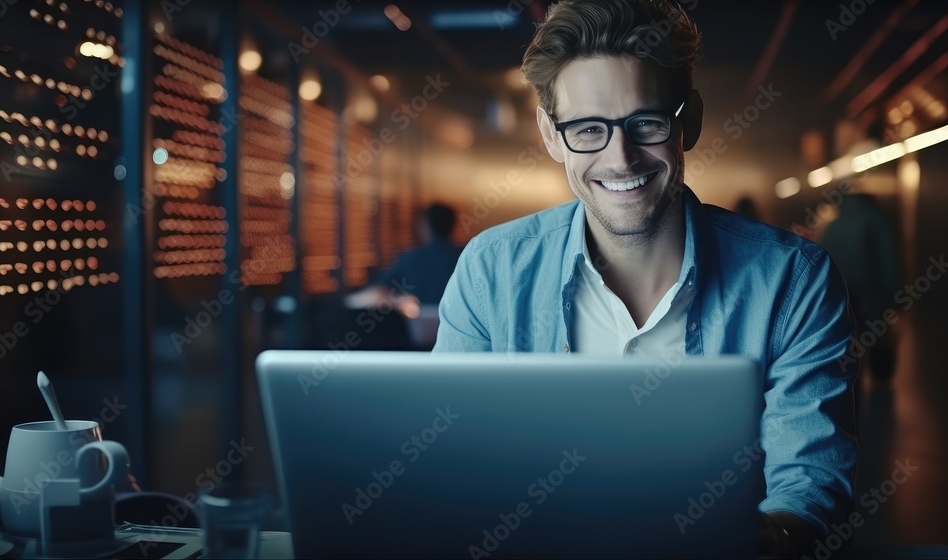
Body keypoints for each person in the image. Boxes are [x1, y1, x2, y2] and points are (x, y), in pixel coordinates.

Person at [433, 1, 856, 556]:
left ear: (691, 120)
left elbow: (809, 486)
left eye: (646, 124)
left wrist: (763, 541)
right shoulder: (491, 271)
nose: (621, 158)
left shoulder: (793, 282)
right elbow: (448, 465)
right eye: (588, 129)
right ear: (551, 134)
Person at [346, 203, 464, 348]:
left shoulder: (410, 259)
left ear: (425, 226)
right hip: (460, 338)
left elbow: (377, 291)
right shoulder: (465, 258)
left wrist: (396, 301)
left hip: (417, 338)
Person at [820, 192, 901, 380]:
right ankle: (881, 379)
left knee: (846, 337)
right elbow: (888, 258)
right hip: (871, 291)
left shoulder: (833, 225)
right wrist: (895, 292)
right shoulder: (878, 220)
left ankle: (851, 382)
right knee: (877, 334)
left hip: (840, 291)